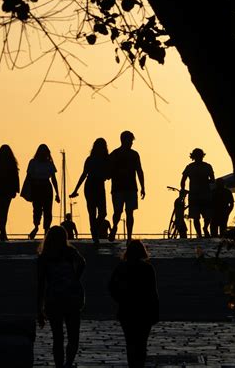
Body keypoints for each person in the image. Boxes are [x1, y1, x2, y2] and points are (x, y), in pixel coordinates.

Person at [37, 225, 86, 368]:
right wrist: (76, 277)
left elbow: (40, 285)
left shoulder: (44, 257)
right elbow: (82, 262)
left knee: (57, 337)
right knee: (73, 336)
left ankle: (59, 365)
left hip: (53, 299)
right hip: (71, 297)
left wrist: (39, 309)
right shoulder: (70, 252)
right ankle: (68, 363)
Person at [108, 239, 159, 368]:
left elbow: (111, 287)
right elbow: (153, 291)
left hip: (127, 311)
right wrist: (155, 310)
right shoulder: (147, 268)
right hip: (144, 311)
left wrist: (120, 299)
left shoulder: (121, 267)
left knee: (130, 343)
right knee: (142, 344)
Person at [69, 137, 111, 244]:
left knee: (102, 212)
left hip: (98, 185)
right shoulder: (91, 159)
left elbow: (108, 174)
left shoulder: (106, 159)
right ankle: (95, 235)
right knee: (92, 212)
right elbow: (84, 174)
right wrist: (75, 190)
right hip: (91, 185)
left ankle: (94, 229)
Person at [108, 131, 145, 243]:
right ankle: (117, 228)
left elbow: (139, 171)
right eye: (130, 140)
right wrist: (143, 186)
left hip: (125, 188)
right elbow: (139, 171)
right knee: (121, 212)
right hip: (123, 188)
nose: (131, 143)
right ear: (125, 140)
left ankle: (128, 235)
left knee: (127, 212)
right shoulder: (126, 154)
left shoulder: (117, 154)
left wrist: (143, 186)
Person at [26, 144, 60, 240]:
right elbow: (28, 177)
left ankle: (45, 229)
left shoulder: (48, 163)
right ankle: (38, 227)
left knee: (45, 210)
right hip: (38, 187)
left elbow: (53, 179)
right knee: (38, 209)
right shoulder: (34, 163)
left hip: (43, 187)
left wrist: (57, 193)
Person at [180, 147, 215, 238]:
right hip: (196, 195)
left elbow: (212, 179)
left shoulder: (206, 166)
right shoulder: (190, 167)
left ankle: (204, 229)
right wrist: (183, 189)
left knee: (206, 216)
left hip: (203, 194)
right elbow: (183, 180)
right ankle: (200, 233)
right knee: (197, 216)